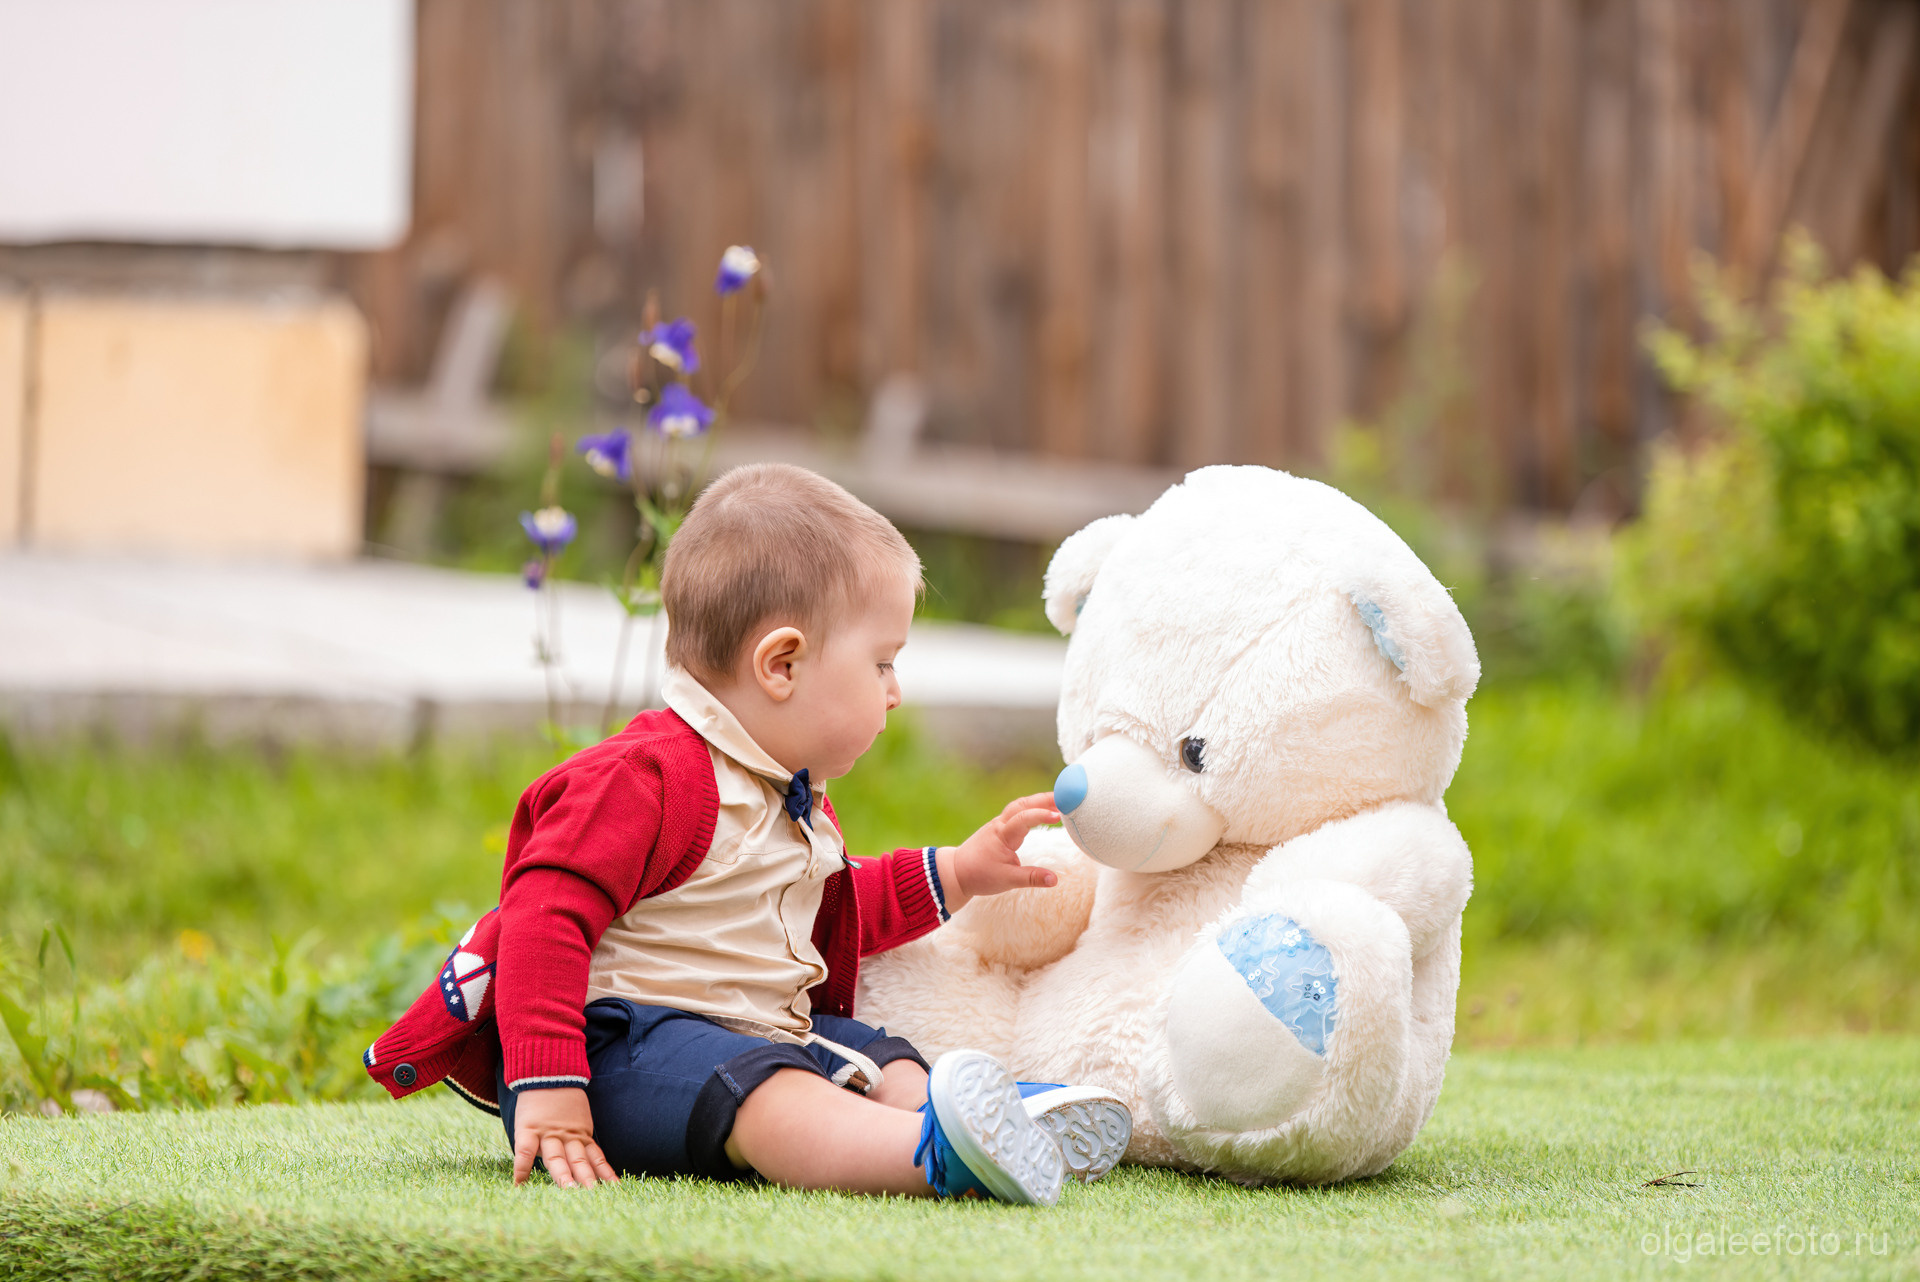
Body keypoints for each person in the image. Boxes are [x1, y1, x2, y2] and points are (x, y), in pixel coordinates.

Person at [364, 463, 1128, 1206]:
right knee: (771, 1095)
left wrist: (956, 873)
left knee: (877, 1054)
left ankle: (977, 1119)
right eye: (883, 663)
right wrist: (549, 1083)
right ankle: (930, 1154)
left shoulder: (777, 789)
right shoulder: (644, 779)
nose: (896, 693)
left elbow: (835, 902)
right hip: (621, 1052)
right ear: (782, 664)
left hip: (751, 1035)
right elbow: (542, 916)